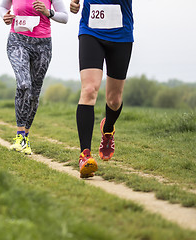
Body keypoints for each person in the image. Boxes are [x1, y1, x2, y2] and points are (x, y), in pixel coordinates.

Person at [70, 0, 134, 178]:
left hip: (121, 34)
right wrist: (74, 3)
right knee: (89, 90)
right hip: (91, 31)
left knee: (114, 100)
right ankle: (85, 156)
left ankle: (108, 129)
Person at [0, 0, 68, 155]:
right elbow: (2, 7)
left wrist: (48, 12)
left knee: (34, 93)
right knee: (24, 84)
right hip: (17, 41)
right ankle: (19, 135)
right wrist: (5, 16)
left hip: (43, 45)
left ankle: (26, 137)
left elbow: (64, 17)